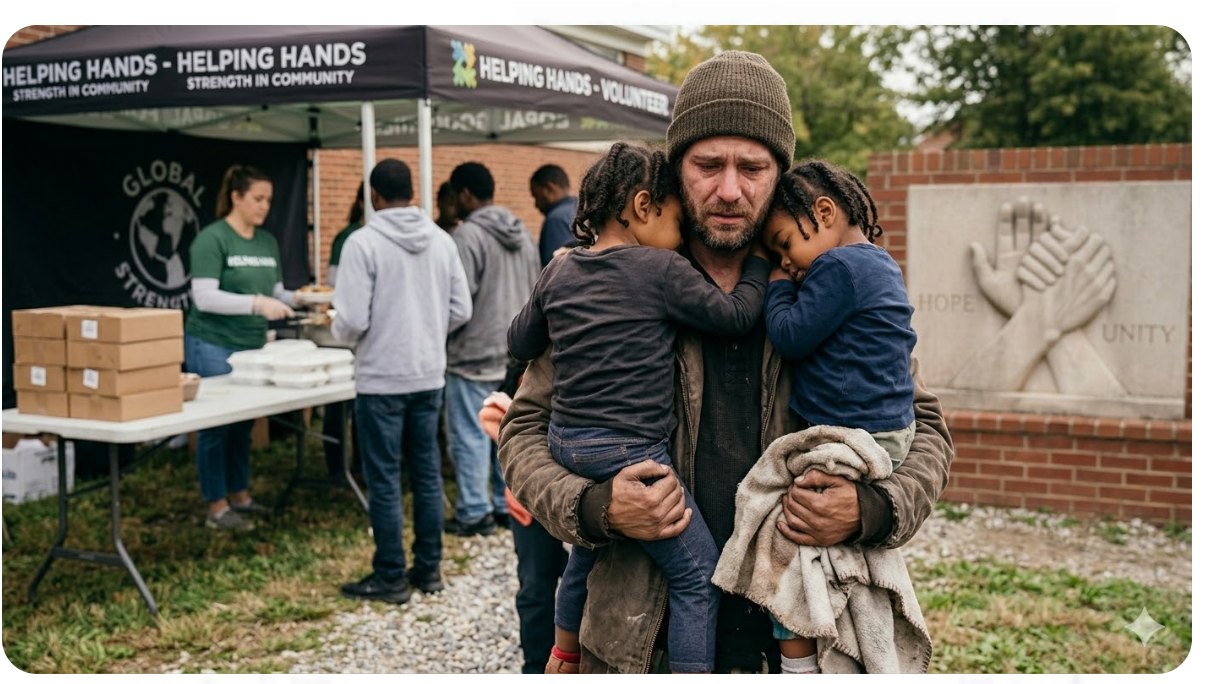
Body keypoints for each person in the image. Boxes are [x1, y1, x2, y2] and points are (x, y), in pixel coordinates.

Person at [498, 50, 956, 674]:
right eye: (708, 164)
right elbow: (523, 430)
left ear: (780, 174)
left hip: (797, 641)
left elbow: (925, 425)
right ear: (673, 169)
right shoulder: (617, 280)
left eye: (753, 167)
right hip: (640, 643)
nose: (730, 189)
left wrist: (873, 508)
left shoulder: (833, 285)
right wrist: (593, 504)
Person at [508, 141, 770, 674]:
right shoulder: (660, 269)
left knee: (583, 555)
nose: (678, 237)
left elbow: (518, 340)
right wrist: (765, 265)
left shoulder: (560, 271)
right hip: (630, 450)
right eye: (674, 220)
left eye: (751, 168)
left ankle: (562, 652)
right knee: (697, 577)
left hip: (569, 444)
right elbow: (736, 315)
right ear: (645, 206)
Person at [744, 159, 919, 674]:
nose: (787, 260)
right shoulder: (878, 264)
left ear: (823, 212)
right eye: (778, 254)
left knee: (788, 536)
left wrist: (774, 283)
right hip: (887, 428)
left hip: (853, 432)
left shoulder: (836, 268)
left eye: (784, 243)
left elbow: (792, 335)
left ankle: (800, 662)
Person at [331, 158, 473, 604]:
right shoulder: (440, 240)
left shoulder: (363, 242)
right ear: (412, 192)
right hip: (428, 373)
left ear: (374, 195)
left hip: (380, 378)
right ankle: (428, 570)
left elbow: (350, 320)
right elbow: (461, 310)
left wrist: (341, 333)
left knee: (385, 478)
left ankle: (390, 576)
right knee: (427, 474)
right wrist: (427, 330)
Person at [186, 163, 297, 532]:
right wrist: (254, 303)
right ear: (236, 197)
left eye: (269, 200)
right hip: (213, 343)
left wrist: (308, 298)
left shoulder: (267, 242)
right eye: (257, 198)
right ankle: (216, 506)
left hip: (252, 347)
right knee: (216, 425)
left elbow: (276, 292)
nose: (264, 206)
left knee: (243, 422)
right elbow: (203, 297)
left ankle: (240, 495)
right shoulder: (212, 239)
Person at [443, 161, 540, 537]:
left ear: (465, 194)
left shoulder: (467, 237)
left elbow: (458, 301)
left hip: (473, 352)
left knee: (469, 434)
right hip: (516, 352)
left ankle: (473, 511)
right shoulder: (524, 233)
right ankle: (503, 503)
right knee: (504, 429)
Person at [476, 360, 569, 675]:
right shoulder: (528, 362)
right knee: (535, 586)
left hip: (583, 495)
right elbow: (496, 412)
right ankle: (535, 666)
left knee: (581, 581)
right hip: (531, 501)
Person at [322, 182, 365, 482]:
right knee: (338, 409)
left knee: (360, 411)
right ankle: (338, 468)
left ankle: (357, 468)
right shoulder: (347, 239)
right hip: (348, 331)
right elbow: (334, 288)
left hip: (368, 338)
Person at [529, 164, 578, 266]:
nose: (536, 204)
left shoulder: (556, 219)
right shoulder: (581, 209)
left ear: (549, 189)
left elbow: (554, 269)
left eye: (536, 196)